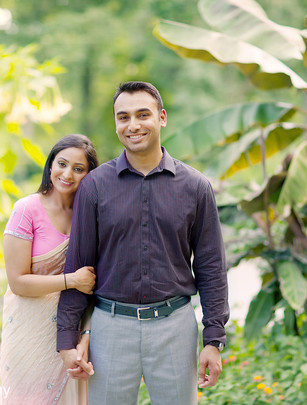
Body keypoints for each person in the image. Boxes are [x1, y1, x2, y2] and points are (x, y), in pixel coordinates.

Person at [57, 81, 229, 405]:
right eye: (123, 117)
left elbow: (211, 268)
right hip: (111, 328)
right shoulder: (94, 187)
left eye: (142, 115)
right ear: (116, 124)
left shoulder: (196, 187)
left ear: (161, 118)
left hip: (175, 327)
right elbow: (79, 266)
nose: (133, 125)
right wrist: (67, 339)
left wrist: (213, 339)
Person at [0, 134, 99, 405]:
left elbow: (96, 285)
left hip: (73, 332)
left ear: (90, 174)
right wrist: (71, 280)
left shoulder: (90, 214)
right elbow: (18, 282)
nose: (67, 174)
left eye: (79, 169)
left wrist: (86, 335)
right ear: (50, 165)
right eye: (62, 164)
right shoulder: (26, 210)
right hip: (29, 333)